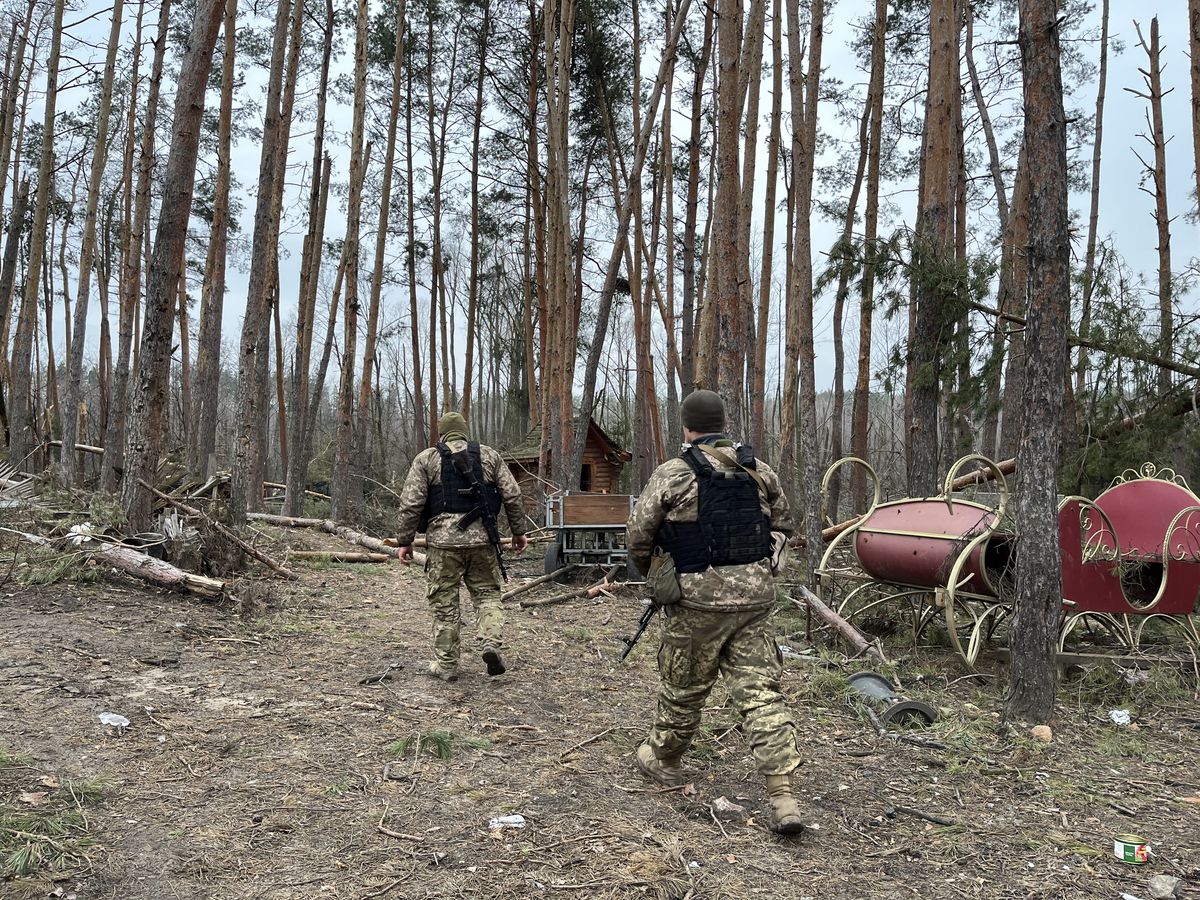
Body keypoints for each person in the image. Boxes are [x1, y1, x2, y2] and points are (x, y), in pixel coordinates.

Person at [625, 390, 804, 835]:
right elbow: (783, 527)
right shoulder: (760, 472)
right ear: (724, 422)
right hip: (755, 602)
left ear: (687, 427)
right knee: (760, 693)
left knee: (684, 685)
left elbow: (638, 535)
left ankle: (664, 759)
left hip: (696, 603)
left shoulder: (673, 474)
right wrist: (758, 570)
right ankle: (782, 795)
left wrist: (657, 573)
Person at [395, 411, 529, 681]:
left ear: (441, 434)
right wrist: (518, 532)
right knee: (487, 595)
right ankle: (490, 643)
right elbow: (513, 495)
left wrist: (405, 541)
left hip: (443, 545)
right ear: (465, 432)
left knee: (444, 603)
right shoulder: (490, 456)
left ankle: (447, 666)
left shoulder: (427, 458)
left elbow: (411, 504)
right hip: (483, 541)